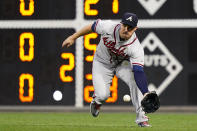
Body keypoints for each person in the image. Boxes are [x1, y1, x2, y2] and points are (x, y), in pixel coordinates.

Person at [62, 12, 151, 127]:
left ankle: (141, 118)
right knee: (103, 95)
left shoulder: (136, 47)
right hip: (102, 62)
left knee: (135, 81)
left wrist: (145, 92)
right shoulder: (108, 26)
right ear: (121, 24)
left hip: (121, 64)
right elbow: (91, 27)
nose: (126, 29)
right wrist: (73, 37)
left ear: (135, 29)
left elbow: (138, 71)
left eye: (130, 28)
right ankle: (97, 102)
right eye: (125, 25)